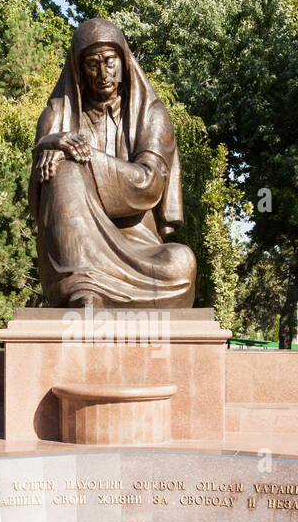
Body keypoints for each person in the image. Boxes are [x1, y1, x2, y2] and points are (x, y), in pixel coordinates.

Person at [29, 18, 197, 308]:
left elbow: (148, 184)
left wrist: (86, 156)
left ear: (124, 62)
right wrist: (48, 148)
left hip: (138, 246)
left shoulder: (151, 115)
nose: (103, 73)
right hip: (77, 251)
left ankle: (98, 289)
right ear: (79, 69)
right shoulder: (58, 115)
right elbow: (41, 203)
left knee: (181, 261)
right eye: (92, 64)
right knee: (61, 169)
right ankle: (83, 288)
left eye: (110, 61)